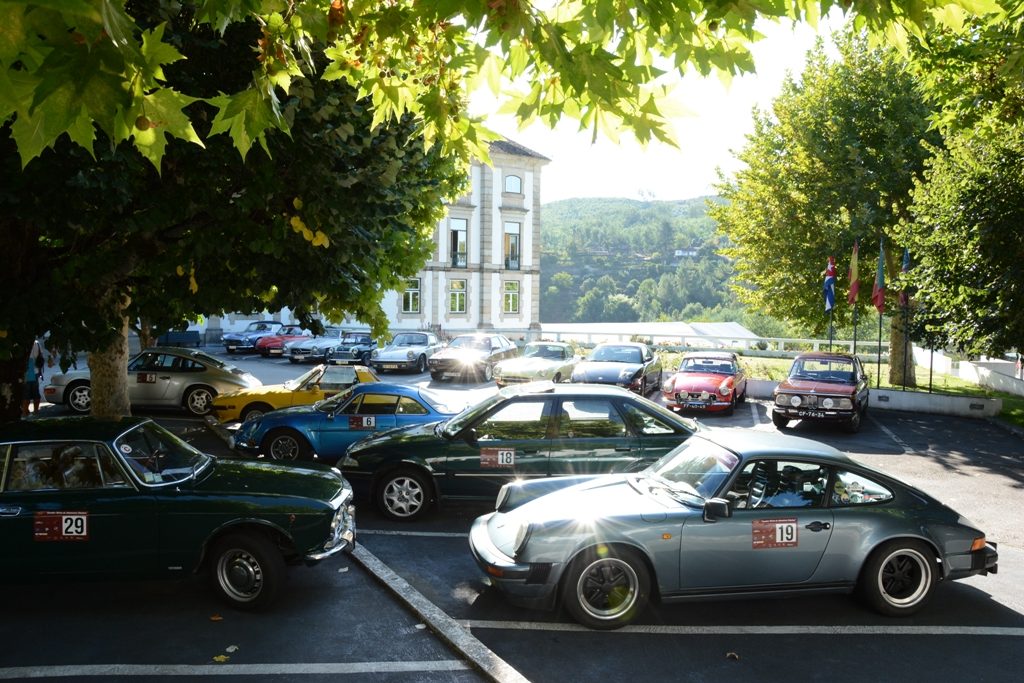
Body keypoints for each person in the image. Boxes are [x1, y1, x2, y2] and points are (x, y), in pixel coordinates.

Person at [22, 339, 44, 416]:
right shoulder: (37, 343)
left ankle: (25, 412)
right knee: (35, 392)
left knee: (25, 393)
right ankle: (36, 411)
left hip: (25, 371)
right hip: (35, 371)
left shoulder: (20, 342)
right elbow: (41, 355)